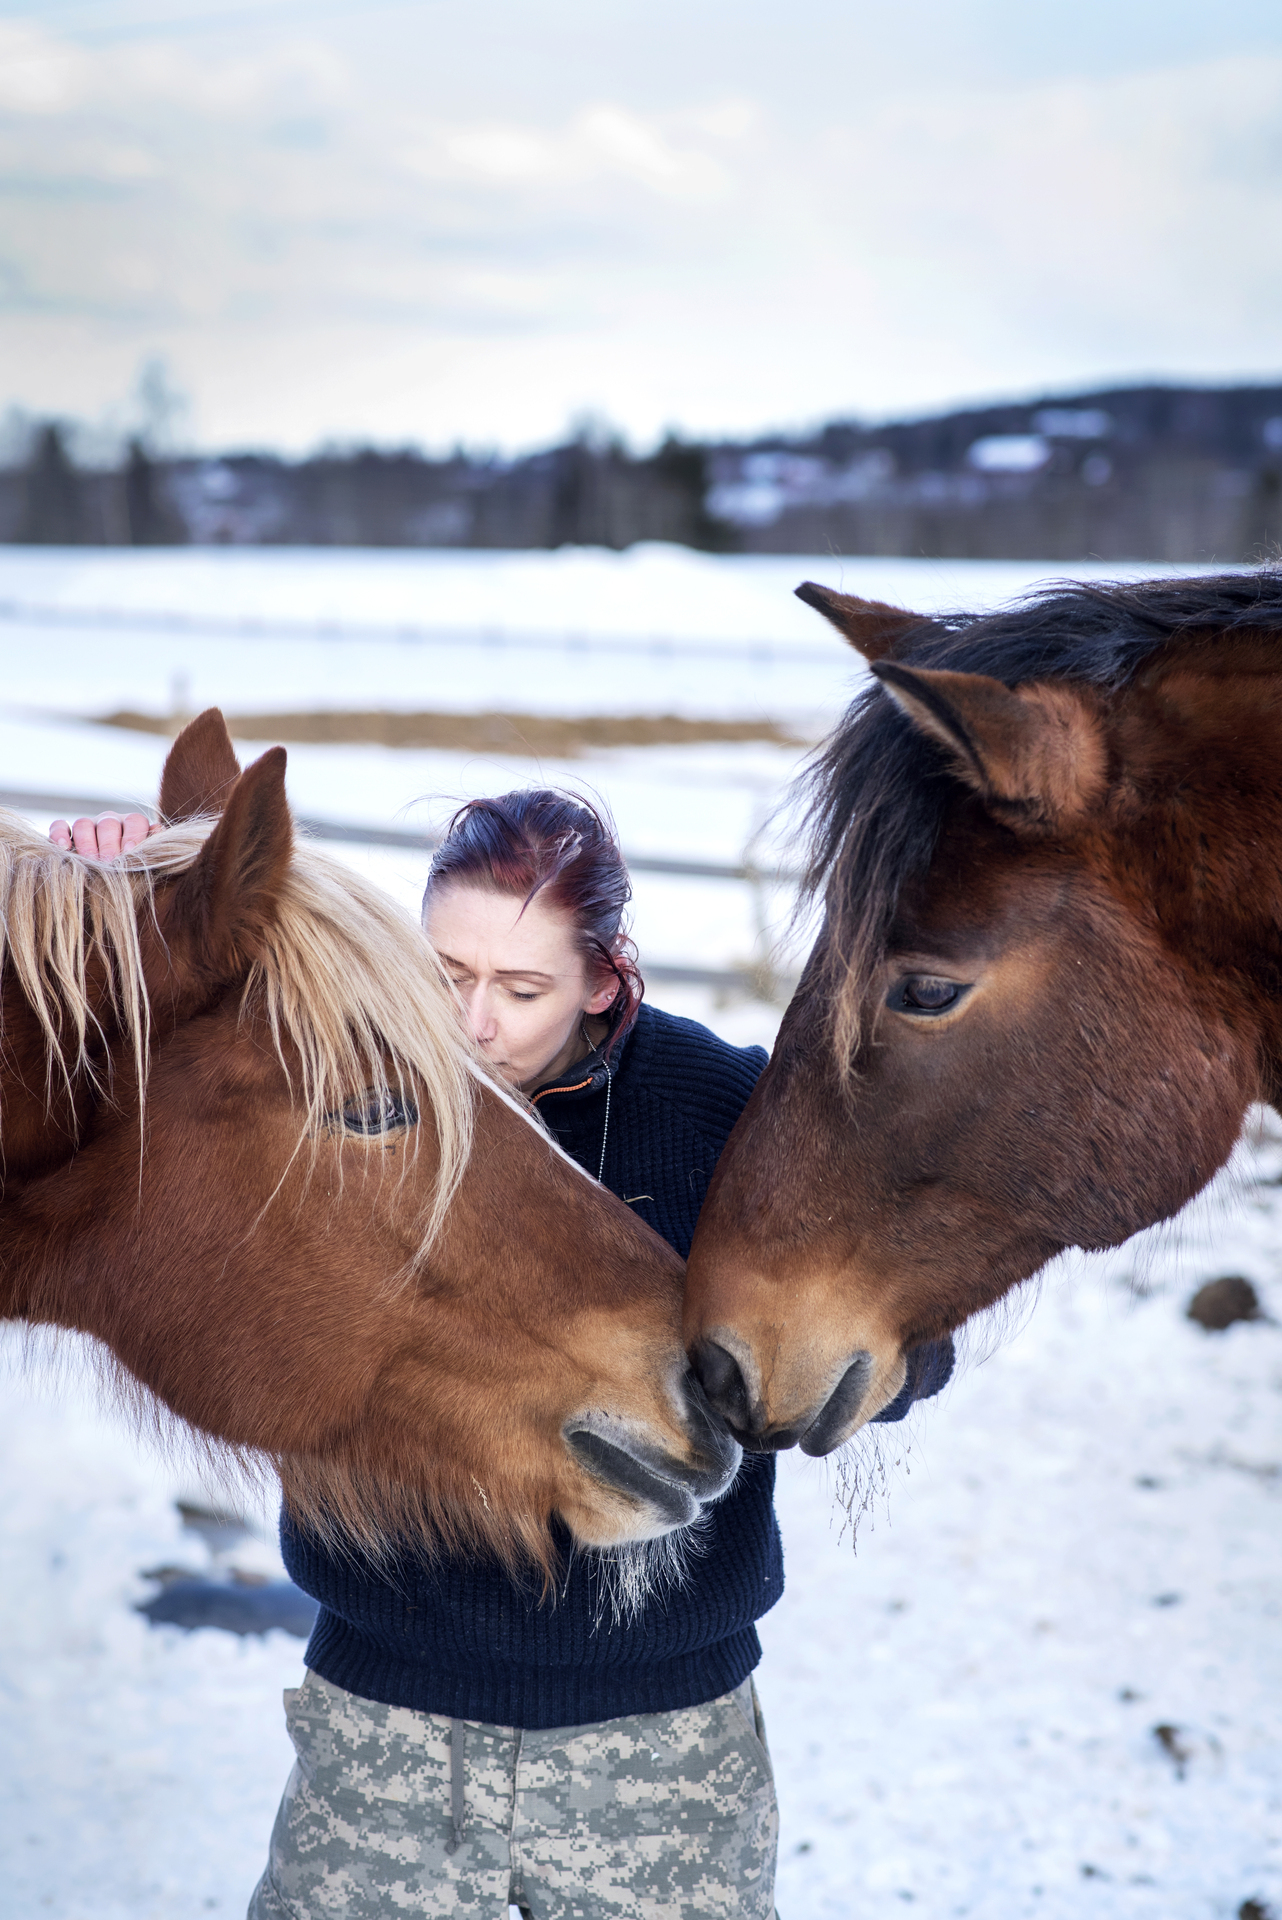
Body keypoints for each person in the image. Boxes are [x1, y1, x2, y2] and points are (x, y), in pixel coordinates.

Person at [54, 790, 953, 1920]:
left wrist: (817, 1372)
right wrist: (115, 894)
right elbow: (148, 1049)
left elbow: (900, 1334)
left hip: (657, 1748)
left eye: (522, 989)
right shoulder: (334, 1083)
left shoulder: (724, 1114)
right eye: (445, 972)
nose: (473, 1024)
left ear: (603, 982)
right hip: (388, 1730)